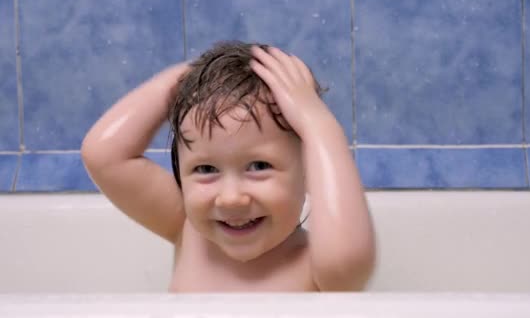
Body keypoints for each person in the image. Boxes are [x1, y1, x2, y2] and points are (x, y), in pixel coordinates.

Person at [81, 41, 375, 291]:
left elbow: (346, 259)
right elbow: (103, 155)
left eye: (259, 166)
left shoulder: (318, 267)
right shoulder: (189, 229)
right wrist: (191, 77)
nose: (231, 198)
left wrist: (316, 121)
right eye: (206, 170)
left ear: (310, 171)